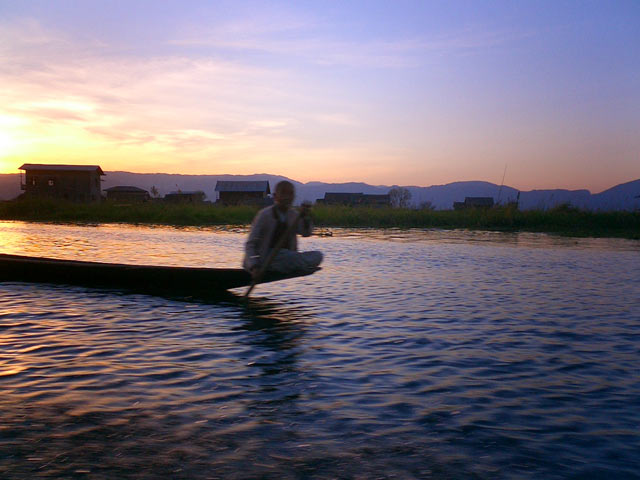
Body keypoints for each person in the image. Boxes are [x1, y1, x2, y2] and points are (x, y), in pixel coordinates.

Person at [243, 180, 323, 278]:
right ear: (275, 196)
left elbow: (305, 233)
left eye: (290, 194)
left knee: (318, 255)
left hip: (288, 257)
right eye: (284, 193)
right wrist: (254, 266)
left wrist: (305, 216)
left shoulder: (294, 215)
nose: (287, 197)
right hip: (267, 259)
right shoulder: (264, 215)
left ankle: (291, 265)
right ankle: (293, 266)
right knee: (289, 257)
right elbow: (250, 244)